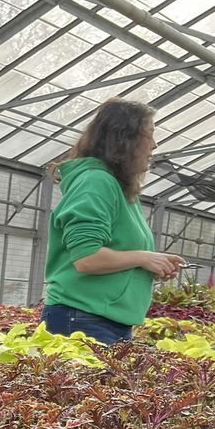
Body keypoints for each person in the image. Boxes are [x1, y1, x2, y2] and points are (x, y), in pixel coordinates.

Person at [41, 99, 184, 344]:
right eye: (149, 134)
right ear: (124, 139)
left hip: (104, 320)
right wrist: (143, 257)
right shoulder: (95, 182)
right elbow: (87, 258)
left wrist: (151, 264)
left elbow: (118, 253)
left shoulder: (120, 188)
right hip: (82, 318)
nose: (154, 144)